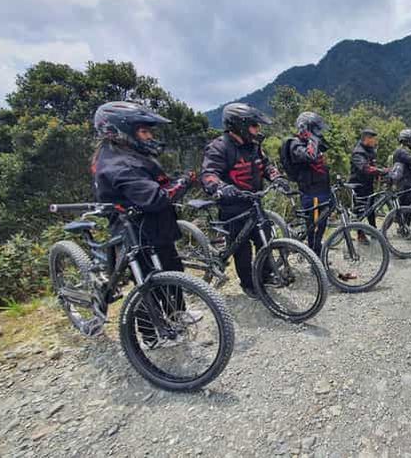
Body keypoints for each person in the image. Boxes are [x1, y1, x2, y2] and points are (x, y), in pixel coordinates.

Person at [92, 101, 193, 343]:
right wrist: (184, 181)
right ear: (120, 131)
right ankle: (150, 336)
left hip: (156, 227)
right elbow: (155, 197)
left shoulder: (130, 153)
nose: (150, 136)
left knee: (172, 270)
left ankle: (176, 315)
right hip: (137, 232)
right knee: (146, 283)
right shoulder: (118, 164)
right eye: (144, 131)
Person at [201, 103, 289, 298]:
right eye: (254, 126)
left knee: (264, 238)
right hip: (232, 208)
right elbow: (209, 175)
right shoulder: (218, 147)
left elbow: (265, 166)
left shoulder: (254, 146)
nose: (258, 129)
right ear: (239, 125)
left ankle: (265, 275)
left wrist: (277, 177)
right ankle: (248, 284)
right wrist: (221, 188)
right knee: (242, 249)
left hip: (254, 203)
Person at [289, 111, 332, 255]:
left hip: (322, 189)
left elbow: (326, 147)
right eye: (315, 129)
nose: (318, 132)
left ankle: (317, 254)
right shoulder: (296, 144)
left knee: (322, 226)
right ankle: (314, 258)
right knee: (313, 228)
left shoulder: (312, 142)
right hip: (311, 192)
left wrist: (314, 138)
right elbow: (310, 157)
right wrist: (310, 137)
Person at [349, 128, 387, 242]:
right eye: (373, 139)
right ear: (366, 139)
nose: (375, 141)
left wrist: (381, 171)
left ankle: (373, 230)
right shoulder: (358, 152)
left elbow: (373, 165)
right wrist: (381, 171)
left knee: (371, 209)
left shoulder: (370, 150)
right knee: (360, 211)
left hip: (368, 184)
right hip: (358, 185)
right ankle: (360, 234)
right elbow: (365, 168)